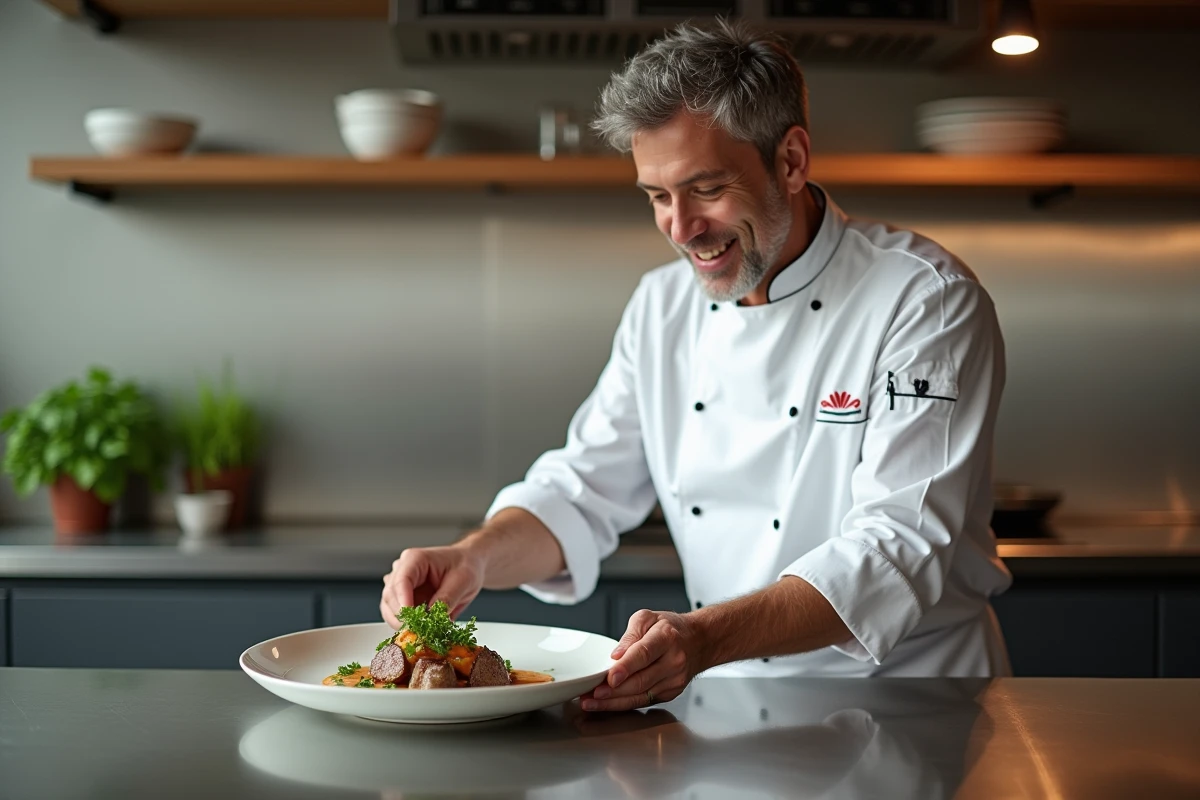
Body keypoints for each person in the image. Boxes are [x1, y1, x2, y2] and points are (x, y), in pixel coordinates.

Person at [380, 20, 1013, 712]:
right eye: (656, 196)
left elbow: (895, 548)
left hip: (911, 705)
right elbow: (583, 489)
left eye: (706, 189)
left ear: (792, 160)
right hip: (726, 699)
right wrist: (474, 558)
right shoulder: (661, 308)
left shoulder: (925, 301)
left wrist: (703, 640)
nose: (680, 229)